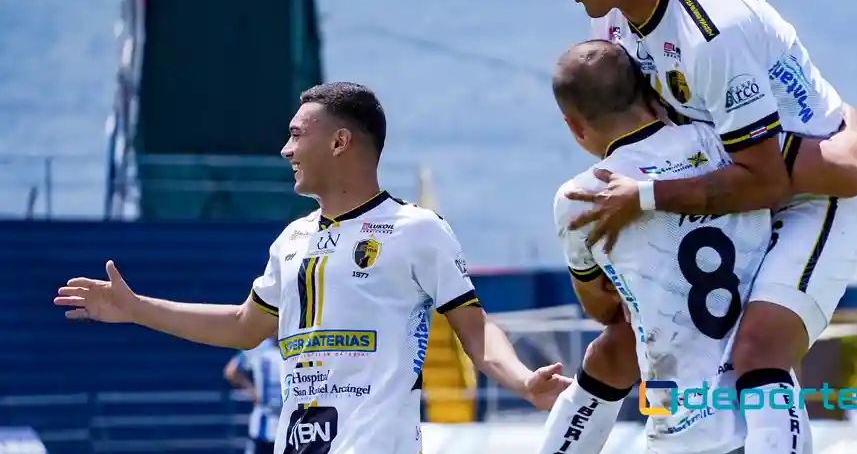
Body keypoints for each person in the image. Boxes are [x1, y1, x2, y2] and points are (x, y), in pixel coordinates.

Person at [54, 82, 571, 454]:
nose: (285, 149)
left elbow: (475, 331)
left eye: (297, 135)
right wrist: (137, 308)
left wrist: (525, 381)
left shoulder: (418, 229)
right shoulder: (292, 239)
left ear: (340, 142)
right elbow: (244, 327)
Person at [550, 0, 857, 454]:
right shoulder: (613, 22)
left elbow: (779, 177)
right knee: (618, 347)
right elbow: (673, 145)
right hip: (732, 179)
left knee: (759, 350)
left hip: (810, 198)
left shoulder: (711, 29)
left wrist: (643, 199)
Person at [539, 39, 776, 454]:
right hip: (767, 418)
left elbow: (603, 310)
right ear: (650, 92)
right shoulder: (717, 143)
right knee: (610, 353)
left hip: (684, 431)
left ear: (574, 127)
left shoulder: (582, 196)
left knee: (611, 345)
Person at [225, 337, 283, 454]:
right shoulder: (295, 345)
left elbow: (231, 371)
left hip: (262, 424)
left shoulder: (256, 347)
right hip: (285, 424)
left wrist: (251, 390)